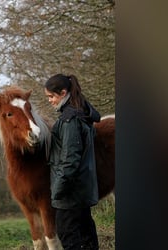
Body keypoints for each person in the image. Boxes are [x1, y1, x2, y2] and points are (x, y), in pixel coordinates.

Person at [44, 74, 101, 250]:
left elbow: (70, 161)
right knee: (86, 237)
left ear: (63, 93)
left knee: (70, 239)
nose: (50, 101)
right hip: (80, 191)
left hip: (70, 194)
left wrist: (57, 191)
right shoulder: (81, 113)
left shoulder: (70, 120)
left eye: (51, 96)